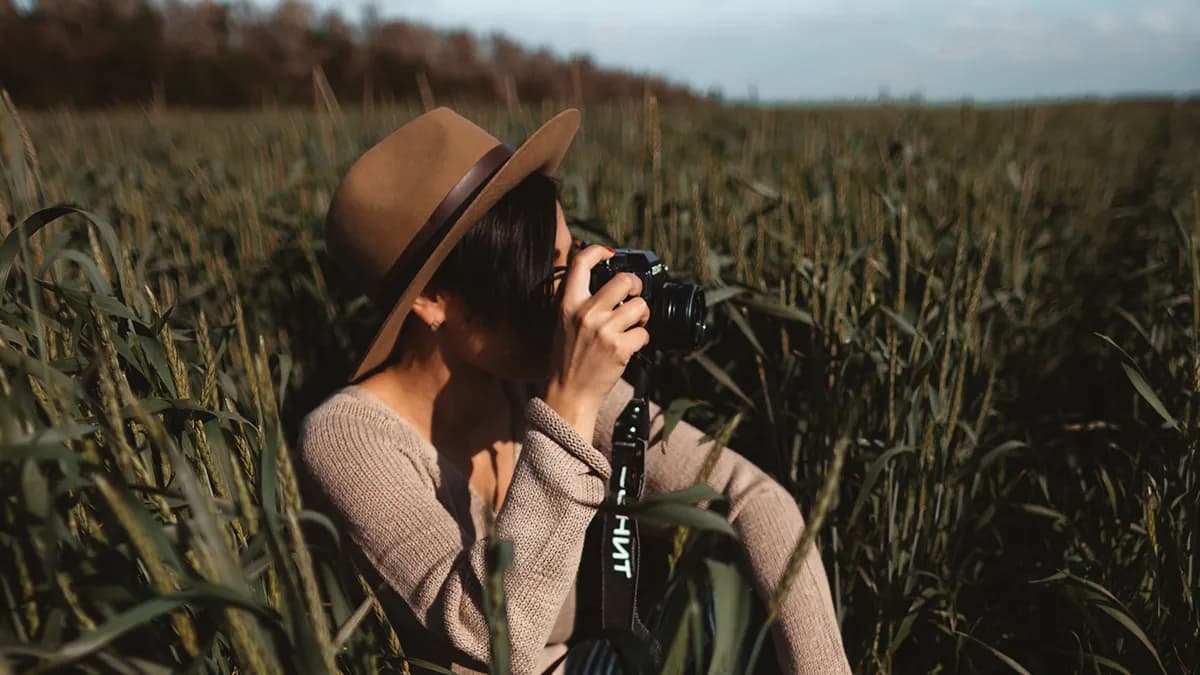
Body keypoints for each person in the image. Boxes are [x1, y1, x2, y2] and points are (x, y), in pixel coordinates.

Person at [298, 107, 851, 674]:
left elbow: (751, 495)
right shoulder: (347, 440)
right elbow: (484, 642)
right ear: (435, 299)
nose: (572, 298)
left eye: (570, 258)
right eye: (543, 275)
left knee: (741, 585)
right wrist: (572, 406)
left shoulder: (527, 378)